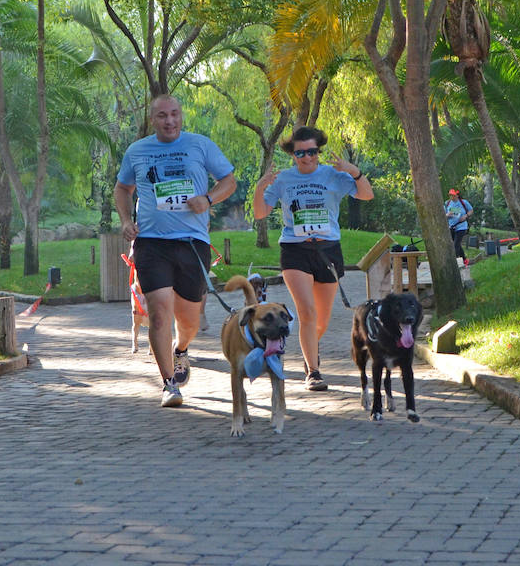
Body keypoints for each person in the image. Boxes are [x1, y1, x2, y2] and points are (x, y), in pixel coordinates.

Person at [115, 95, 237, 408]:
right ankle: (169, 384)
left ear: (181, 116)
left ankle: (181, 348)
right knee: (158, 313)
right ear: (152, 120)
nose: (169, 121)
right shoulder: (137, 151)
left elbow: (229, 181)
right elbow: (122, 188)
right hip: (151, 243)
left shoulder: (200, 145)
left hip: (192, 243)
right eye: (162, 116)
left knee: (189, 319)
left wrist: (208, 200)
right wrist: (127, 220)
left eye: (174, 115)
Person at [253, 126, 373, 391]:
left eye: (312, 152)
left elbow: (366, 194)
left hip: (328, 250)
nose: (306, 157)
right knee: (306, 313)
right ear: (293, 155)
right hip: (295, 251)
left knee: (321, 320)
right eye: (300, 153)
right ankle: (314, 372)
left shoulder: (332, 175)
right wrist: (260, 187)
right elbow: (261, 213)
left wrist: (354, 171)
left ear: (318, 152)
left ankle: (310, 351)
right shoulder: (283, 179)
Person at [445, 188, 473, 263]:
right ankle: (464, 259)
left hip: (461, 226)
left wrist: (465, 216)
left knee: (456, 244)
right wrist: (447, 215)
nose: (452, 197)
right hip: (451, 227)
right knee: (456, 244)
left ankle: (454, 262)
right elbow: (443, 215)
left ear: (457, 195)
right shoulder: (447, 203)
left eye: (453, 195)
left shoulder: (464, 202)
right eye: (450, 195)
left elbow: (471, 210)